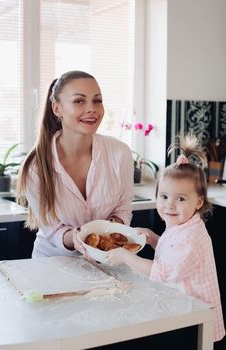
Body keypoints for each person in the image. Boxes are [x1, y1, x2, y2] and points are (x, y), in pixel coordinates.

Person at [106, 134, 225, 342]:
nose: (169, 205)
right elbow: (173, 252)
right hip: (183, 311)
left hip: (196, 319)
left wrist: (125, 257)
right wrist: (153, 239)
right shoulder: (183, 225)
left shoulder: (191, 236)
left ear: (198, 202)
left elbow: (162, 272)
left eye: (180, 198)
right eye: (164, 196)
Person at [17, 70, 134, 258]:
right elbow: (52, 230)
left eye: (97, 100)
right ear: (57, 109)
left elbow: (123, 207)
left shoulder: (120, 153)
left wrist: (109, 233)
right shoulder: (35, 166)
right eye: (79, 101)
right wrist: (80, 238)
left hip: (108, 262)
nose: (92, 109)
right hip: (52, 266)